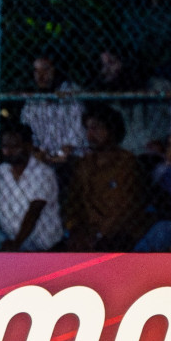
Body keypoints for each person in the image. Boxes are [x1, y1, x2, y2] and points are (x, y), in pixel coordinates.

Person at [65, 103, 150, 251]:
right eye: (88, 129)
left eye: (96, 128)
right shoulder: (84, 165)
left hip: (120, 233)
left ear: (111, 130)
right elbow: (73, 203)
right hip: (88, 232)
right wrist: (75, 228)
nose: (90, 135)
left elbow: (124, 209)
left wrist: (99, 234)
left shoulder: (127, 163)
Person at [0, 123, 65, 252]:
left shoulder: (43, 173)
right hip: (8, 237)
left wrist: (16, 243)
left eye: (14, 146)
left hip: (38, 241)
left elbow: (34, 212)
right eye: (5, 146)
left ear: (28, 146)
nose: (8, 152)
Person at [20, 52, 85, 165]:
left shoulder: (72, 95)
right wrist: (40, 155)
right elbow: (27, 135)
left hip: (73, 160)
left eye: (46, 69)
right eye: (36, 70)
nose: (40, 76)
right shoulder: (32, 102)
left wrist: (58, 156)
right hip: (41, 161)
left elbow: (76, 139)